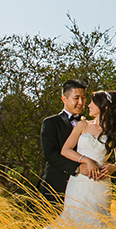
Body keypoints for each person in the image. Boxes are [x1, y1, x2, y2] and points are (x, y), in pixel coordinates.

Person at [36, 90, 116, 229]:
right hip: (79, 183)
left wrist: (112, 167)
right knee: (74, 219)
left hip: (100, 183)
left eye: (93, 102)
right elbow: (65, 150)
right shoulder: (82, 125)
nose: (89, 105)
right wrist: (85, 160)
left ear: (105, 107)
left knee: (99, 220)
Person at [37, 79, 88, 208]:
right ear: (64, 99)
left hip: (84, 185)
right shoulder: (50, 122)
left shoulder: (89, 124)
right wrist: (76, 168)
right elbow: (50, 154)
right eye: (76, 98)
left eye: (83, 98)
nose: (80, 103)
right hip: (56, 184)